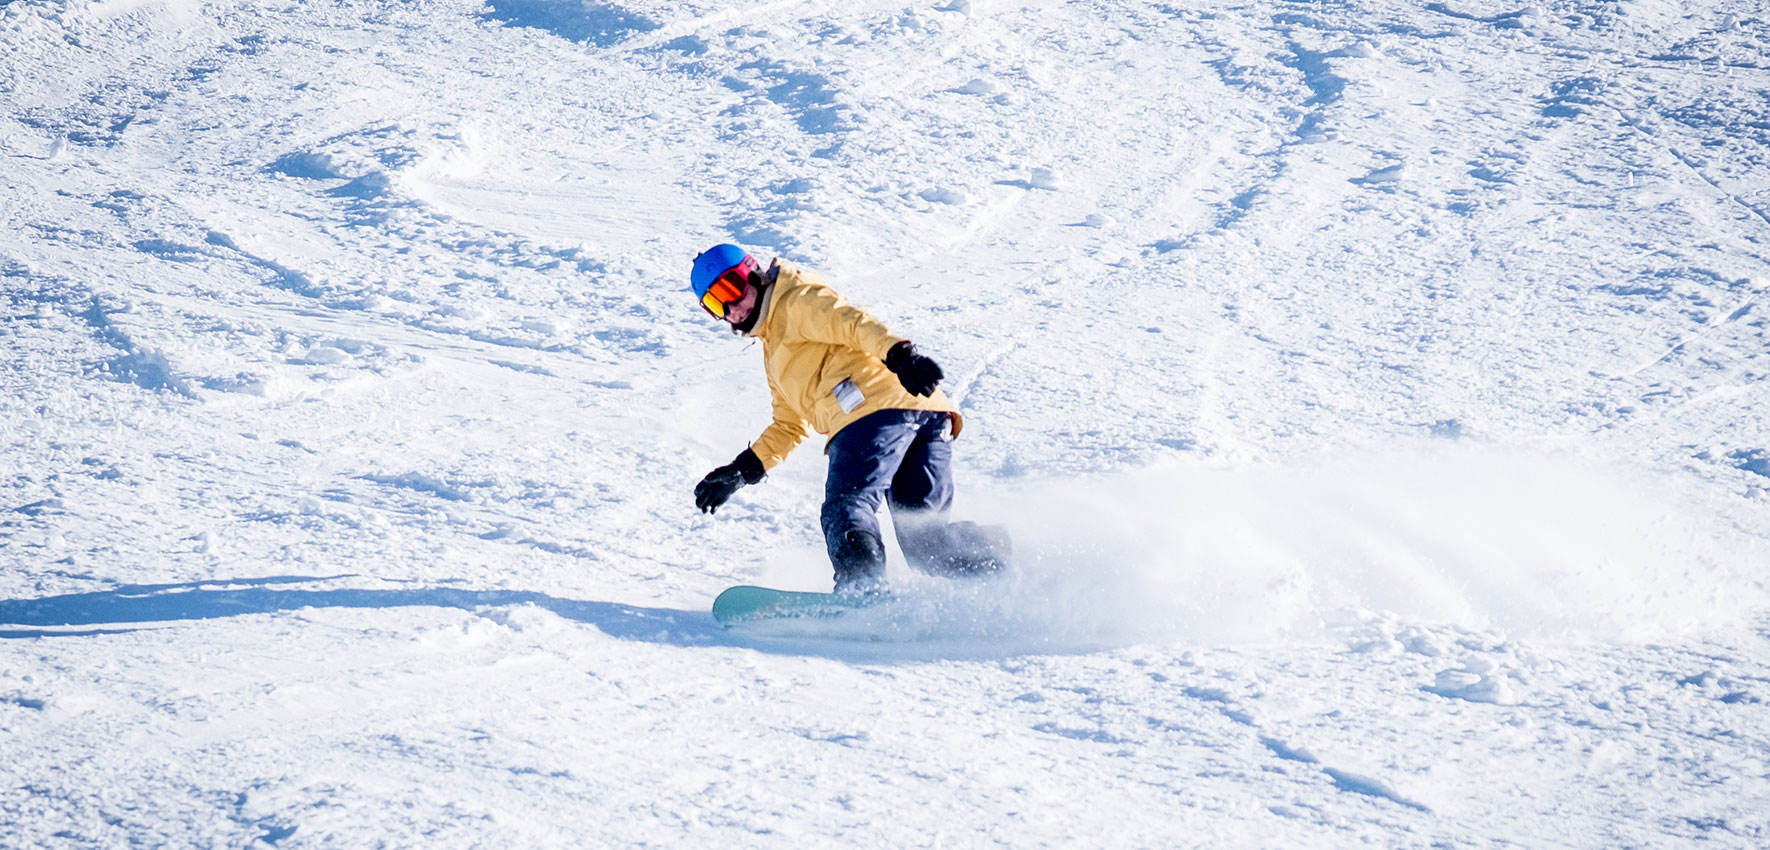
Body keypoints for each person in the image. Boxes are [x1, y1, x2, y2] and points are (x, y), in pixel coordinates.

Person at [688, 243, 1008, 593]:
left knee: (846, 506)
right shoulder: (775, 350)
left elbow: (851, 323)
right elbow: (789, 425)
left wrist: (900, 356)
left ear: (752, 272)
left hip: (872, 411)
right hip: (924, 412)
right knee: (925, 541)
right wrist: (741, 470)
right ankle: (999, 566)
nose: (731, 307)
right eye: (715, 304)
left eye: (729, 288)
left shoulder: (795, 300)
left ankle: (862, 589)